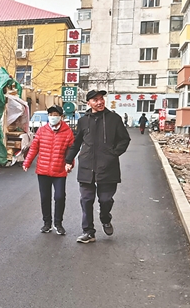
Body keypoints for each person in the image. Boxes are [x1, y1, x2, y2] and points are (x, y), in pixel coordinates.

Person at [65, 90, 131, 244]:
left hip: (108, 167)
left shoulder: (114, 119)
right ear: (88, 103)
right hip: (86, 167)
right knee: (86, 200)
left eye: (101, 99)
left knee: (105, 199)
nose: (100, 102)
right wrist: (68, 160)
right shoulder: (83, 121)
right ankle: (88, 232)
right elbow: (76, 143)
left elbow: (124, 139)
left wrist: (113, 154)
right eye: (95, 100)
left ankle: (105, 218)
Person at [23, 105, 75, 235]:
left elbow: (71, 150)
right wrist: (27, 162)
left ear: (61, 117)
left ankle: (58, 223)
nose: (52, 117)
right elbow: (34, 148)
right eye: (50, 115)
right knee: (45, 197)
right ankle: (47, 223)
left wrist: (70, 163)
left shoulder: (67, 132)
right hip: (43, 170)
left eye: (55, 115)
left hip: (59, 170)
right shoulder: (42, 130)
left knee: (60, 197)